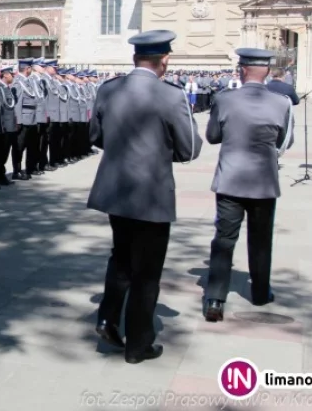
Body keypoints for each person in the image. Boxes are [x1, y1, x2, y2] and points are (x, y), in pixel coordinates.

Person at [88, 30, 202, 364]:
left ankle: (108, 317)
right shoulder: (171, 95)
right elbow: (191, 147)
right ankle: (138, 345)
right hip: (151, 193)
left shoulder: (109, 88)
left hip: (115, 189)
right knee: (147, 272)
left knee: (121, 258)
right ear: (164, 60)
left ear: (135, 57)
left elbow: (95, 135)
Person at [203, 48, 294, 323]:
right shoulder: (282, 102)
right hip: (263, 180)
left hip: (230, 179)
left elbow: (212, 136)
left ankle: (215, 298)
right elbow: (285, 142)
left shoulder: (224, 99)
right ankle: (260, 291)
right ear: (267, 71)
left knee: (224, 239)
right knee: (261, 239)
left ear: (242, 70)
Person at [0, 67, 16, 187]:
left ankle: (1, 175)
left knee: (5, 153)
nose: (13, 76)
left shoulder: (7, 88)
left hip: (10, 125)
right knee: (1, 153)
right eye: (11, 74)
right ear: (5, 75)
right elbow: (0, 108)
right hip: (4, 126)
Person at [12, 60, 37, 180]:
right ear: (27, 68)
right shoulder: (18, 82)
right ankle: (16, 171)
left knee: (29, 146)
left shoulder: (28, 82)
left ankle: (27, 168)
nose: (31, 69)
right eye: (30, 67)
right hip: (23, 119)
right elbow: (17, 103)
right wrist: (18, 121)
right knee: (19, 147)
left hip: (31, 119)